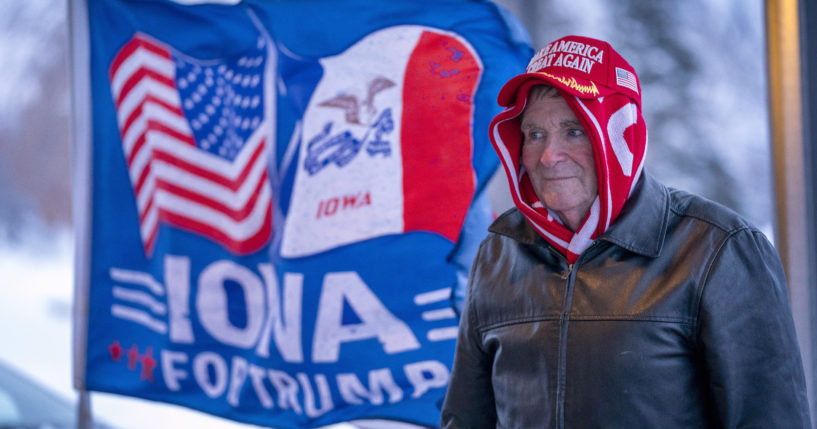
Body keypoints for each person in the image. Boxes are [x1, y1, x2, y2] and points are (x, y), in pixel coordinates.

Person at [440, 35, 811, 428]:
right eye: (535, 134)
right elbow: (465, 419)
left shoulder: (718, 249)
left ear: (618, 135)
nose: (549, 156)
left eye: (574, 130)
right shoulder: (499, 251)